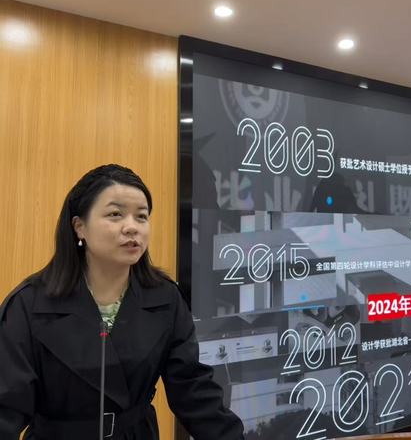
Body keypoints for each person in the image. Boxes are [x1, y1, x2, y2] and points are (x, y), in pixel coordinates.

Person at [0, 164, 245, 440]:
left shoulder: (165, 298)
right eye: (115, 214)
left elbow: (193, 390)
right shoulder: (29, 304)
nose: (132, 227)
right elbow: (6, 406)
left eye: (141, 216)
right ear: (79, 227)